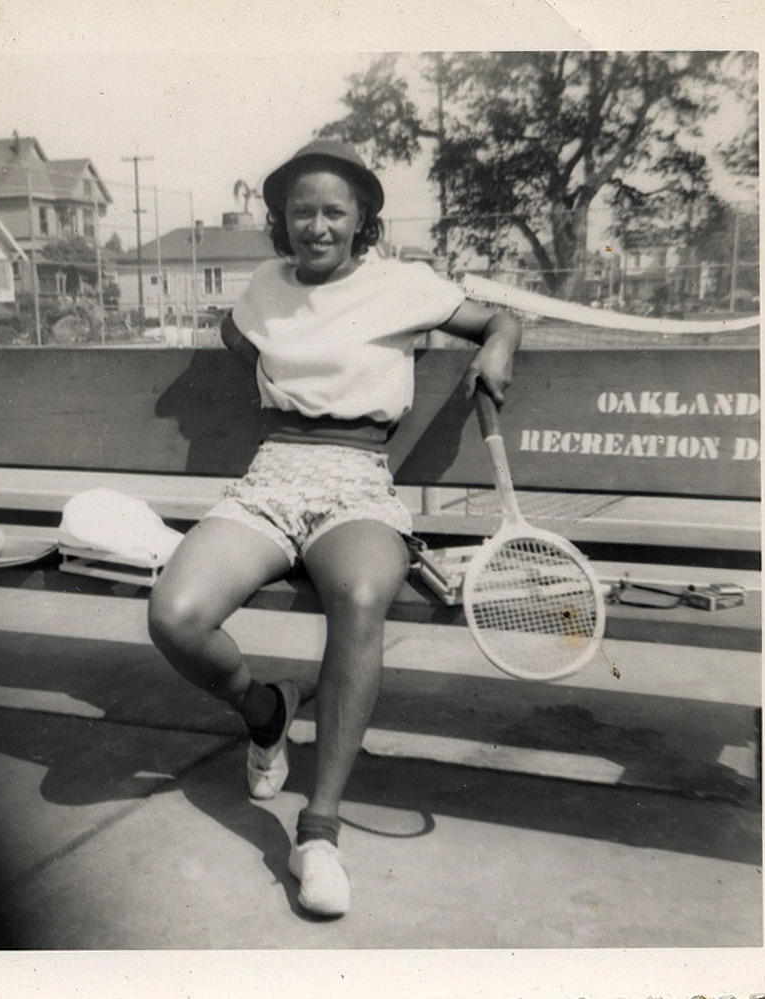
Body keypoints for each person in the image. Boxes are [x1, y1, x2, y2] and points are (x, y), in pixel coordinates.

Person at [148, 139, 520, 918]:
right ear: (282, 221)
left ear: (361, 220)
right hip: (273, 474)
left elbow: (497, 317)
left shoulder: (403, 285)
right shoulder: (262, 285)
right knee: (174, 617)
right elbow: (237, 333)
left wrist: (500, 347)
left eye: (334, 212)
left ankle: (318, 831)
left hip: (358, 482)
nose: (317, 226)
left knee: (358, 595)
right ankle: (265, 711)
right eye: (301, 212)